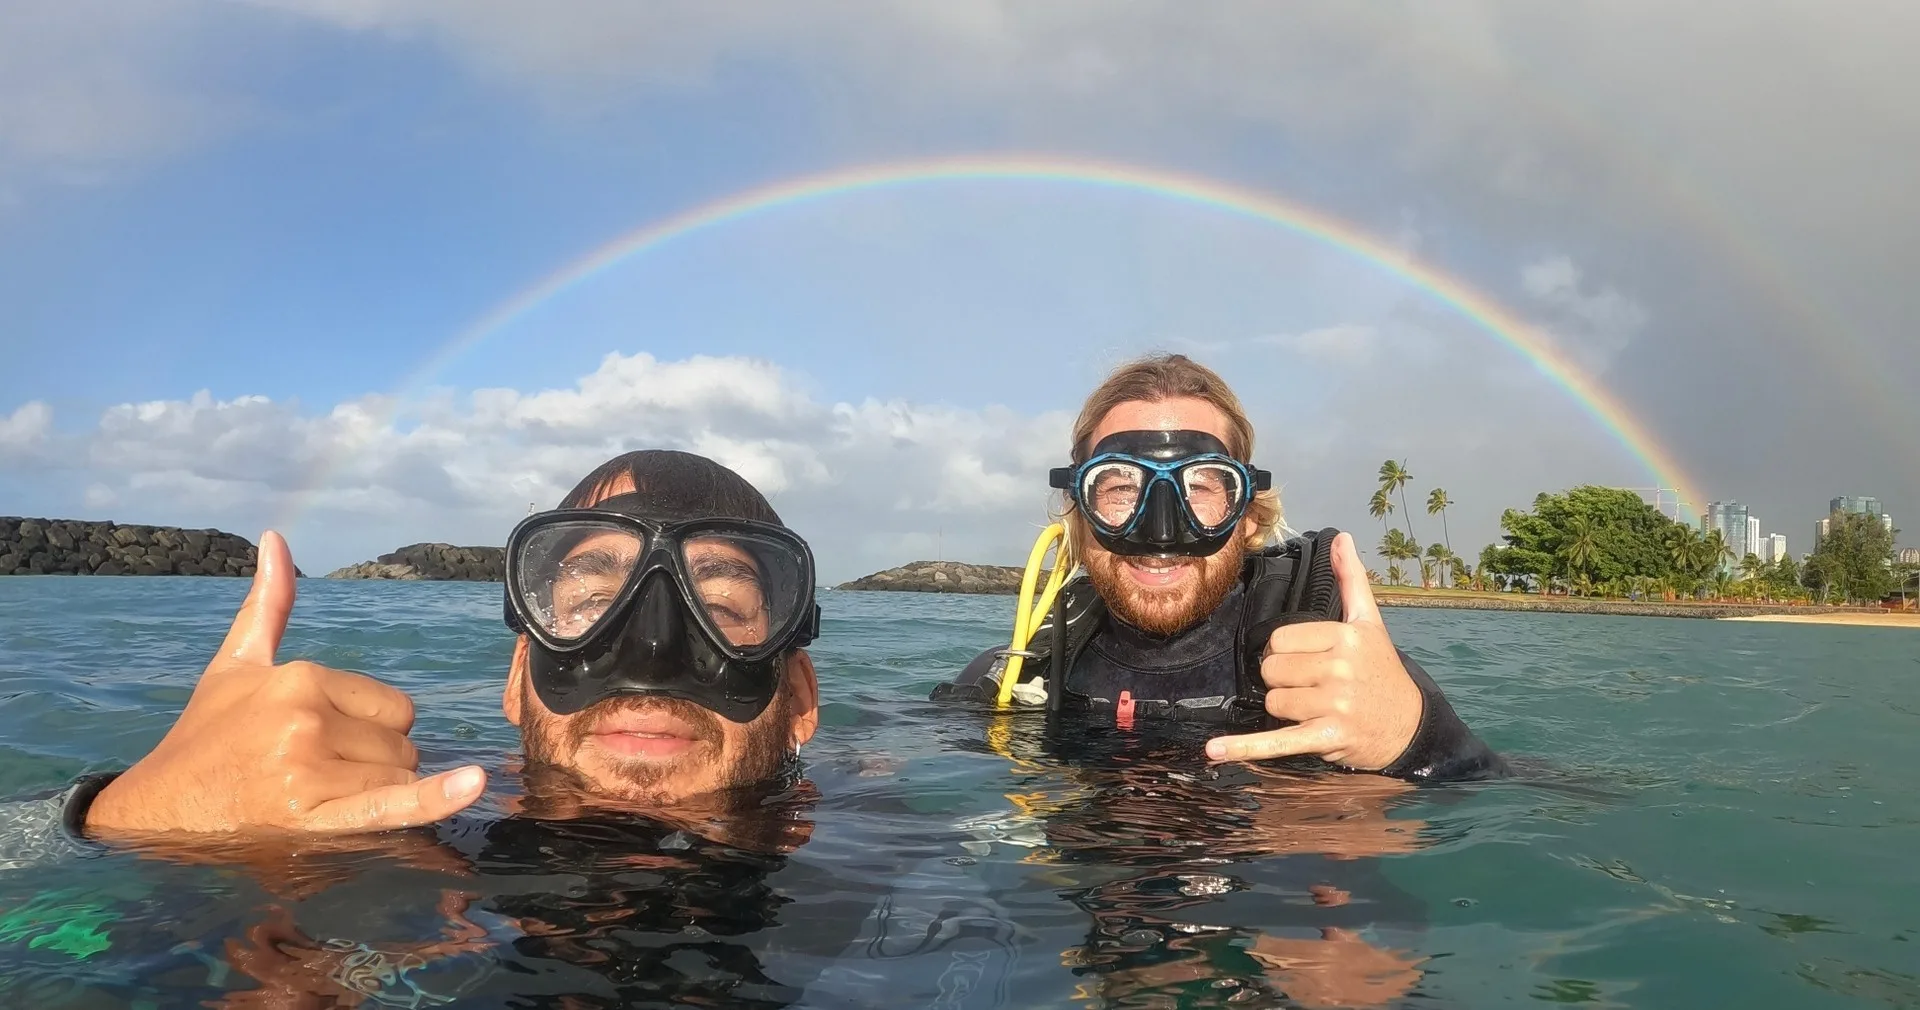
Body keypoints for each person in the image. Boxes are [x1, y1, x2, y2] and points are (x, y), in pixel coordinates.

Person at [0, 450, 1025, 1008]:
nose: (651, 653)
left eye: (720, 599)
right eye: (589, 596)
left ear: (798, 695)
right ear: (515, 683)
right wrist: (128, 819)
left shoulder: (910, 871)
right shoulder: (399, 821)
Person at [933, 353, 1507, 782]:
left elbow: (1520, 794)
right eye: (1119, 488)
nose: (1161, 532)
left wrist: (1415, 739)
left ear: (1249, 515)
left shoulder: (1337, 668)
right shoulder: (1018, 677)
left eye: (1202, 488)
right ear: (1077, 514)